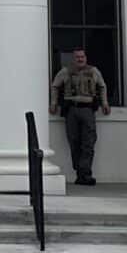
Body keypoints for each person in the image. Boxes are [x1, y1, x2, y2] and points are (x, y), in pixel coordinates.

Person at [49, 48, 109, 186]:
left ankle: (85, 173)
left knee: (88, 143)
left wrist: (105, 103)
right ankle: (80, 172)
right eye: (77, 57)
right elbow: (55, 86)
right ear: (73, 58)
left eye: (82, 57)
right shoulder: (66, 71)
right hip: (71, 110)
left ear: (86, 57)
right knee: (74, 141)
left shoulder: (93, 71)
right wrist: (53, 103)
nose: (80, 59)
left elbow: (102, 86)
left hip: (88, 109)